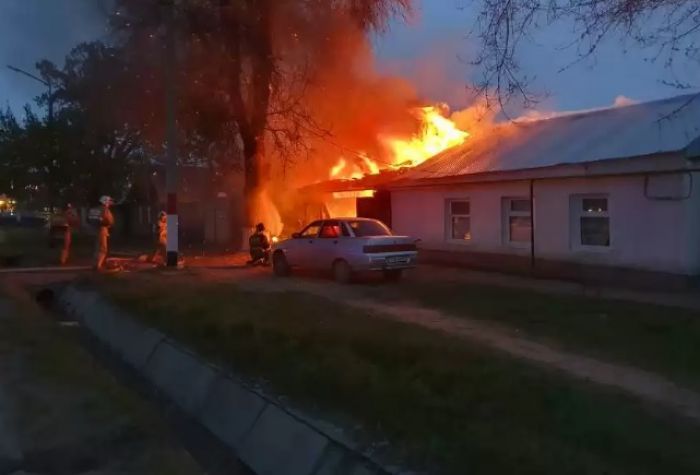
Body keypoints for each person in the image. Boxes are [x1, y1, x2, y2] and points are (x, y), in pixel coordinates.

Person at [93, 195, 114, 271]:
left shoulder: (97, 209)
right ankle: (98, 265)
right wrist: (109, 223)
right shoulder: (105, 209)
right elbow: (109, 220)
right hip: (103, 229)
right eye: (108, 201)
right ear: (105, 202)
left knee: (97, 247)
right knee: (103, 248)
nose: (110, 203)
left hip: (97, 230)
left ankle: (96, 264)